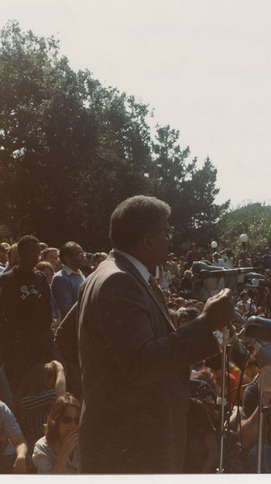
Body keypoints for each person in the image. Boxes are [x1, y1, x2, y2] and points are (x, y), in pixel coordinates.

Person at [77, 195, 234, 473]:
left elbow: (68, 340)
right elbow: (142, 363)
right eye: (166, 232)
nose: (170, 239)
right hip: (131, 447)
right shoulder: (119, 281)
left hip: (124, 440)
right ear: (148, 240)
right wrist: (206, 322)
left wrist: (102, 388)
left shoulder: (105, 274)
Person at [0, 235, 54, 391]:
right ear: (21, 252)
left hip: (38, 343)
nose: (36, 256)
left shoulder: (40, 278)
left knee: (38, 385)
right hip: (17, 345)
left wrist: (44, 334)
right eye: (31, 252)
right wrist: (7, 342)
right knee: (17, 386)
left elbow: (47, 309)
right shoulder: (7, 280)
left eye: (38, 252)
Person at [32, 393, 80, 473]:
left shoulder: (82, 444)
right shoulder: (42, 447)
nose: (72, 425)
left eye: (76, 420)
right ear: (56, 421)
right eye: (67, 420)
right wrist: (64, 454)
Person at [52, 242, 86, 319]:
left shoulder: (80, 274)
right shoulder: (60, 278)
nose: (83, 256)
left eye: (82, 253)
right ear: (67, 259)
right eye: (79, 254)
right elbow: (68, 311)